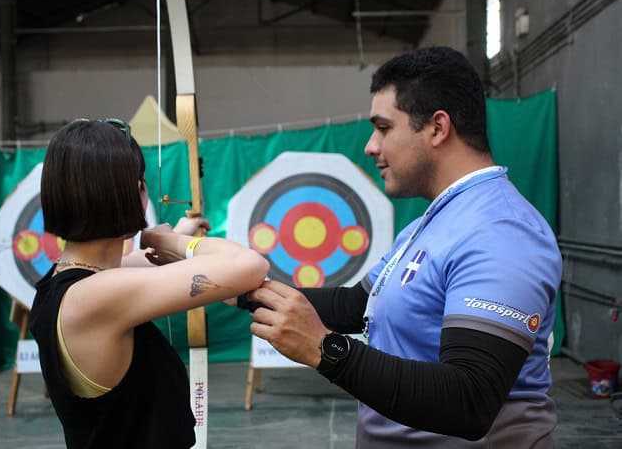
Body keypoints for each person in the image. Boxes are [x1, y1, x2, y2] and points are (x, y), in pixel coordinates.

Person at [238, 47, 562, 448]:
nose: (370, 146)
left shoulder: (501, 230)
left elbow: (470, 399)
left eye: (384, 128)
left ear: (438, 128)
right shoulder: (428, 224)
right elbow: (354, 305)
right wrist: (235, 287)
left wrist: (325, 348)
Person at [29, 118, 270, 448]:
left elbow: (138, 263)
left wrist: (180, 232)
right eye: (141, 184)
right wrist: (171, 242)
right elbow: (249, 265)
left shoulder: (66, 280)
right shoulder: (97, 296)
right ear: (129, 194)